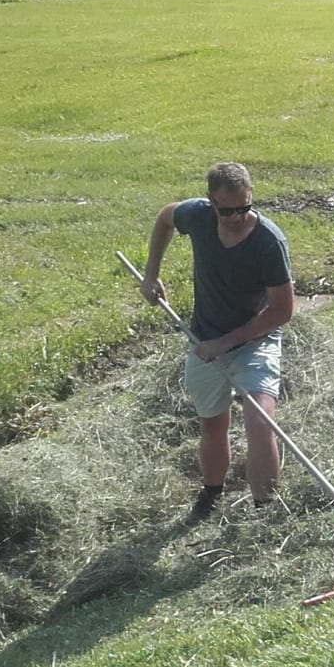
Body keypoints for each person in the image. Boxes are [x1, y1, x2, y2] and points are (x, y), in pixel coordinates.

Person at [138, 162, 295, 521]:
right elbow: (165, 219)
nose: (237, 217)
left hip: (255, 339)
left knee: (260, 420)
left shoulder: (269, 242)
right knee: (212, 424)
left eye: (245, 207)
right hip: (205, 337)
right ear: (211, 202)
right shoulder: (197, 216)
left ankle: (264, 512)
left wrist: (226, 342)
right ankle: (211, 492)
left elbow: (282, 311)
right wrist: (151, 274)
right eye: (228, 211)